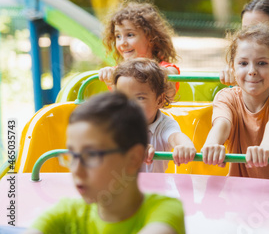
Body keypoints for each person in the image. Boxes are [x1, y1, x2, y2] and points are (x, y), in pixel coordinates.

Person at [25, 92, 185, 234]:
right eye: (72, 155)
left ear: (134, 158)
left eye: (91, 155)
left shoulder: (164, 211)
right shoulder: (66, 212)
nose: (76, 170)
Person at [202, 24, 269, 180]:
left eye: (262, 63)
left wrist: (265, 148)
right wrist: (213, 144)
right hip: (239, 191)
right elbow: (222, 123)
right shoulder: (226, 98)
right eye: (243, 63)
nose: (252, 71)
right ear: (233, 68)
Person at [113, 58, 196, 173]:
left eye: (140, 98)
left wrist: (184, 145)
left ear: (159, 100)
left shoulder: (165, 124)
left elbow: (175, 136)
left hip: (154, 188)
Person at [99, 0, 180, 96]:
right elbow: (121, 103)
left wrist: (156, 73)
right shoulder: (117, 73)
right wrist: (110, 78)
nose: (122, 43)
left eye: (130, 35)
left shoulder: (166, 69)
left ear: (151, 38)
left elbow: (169, 74)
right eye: (118, 36)